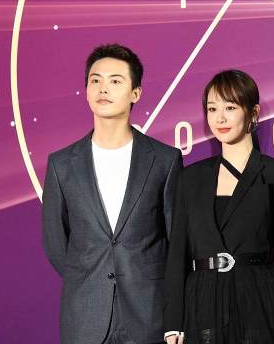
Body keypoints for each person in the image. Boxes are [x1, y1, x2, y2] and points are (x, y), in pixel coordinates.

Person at [42, 43, 183, 344]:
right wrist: (90, 276)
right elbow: (56, 244)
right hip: (85, 317)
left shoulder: (164, 160)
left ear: (136, 93)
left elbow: (176, 242)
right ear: (86, 90)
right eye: (96, 80)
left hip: (149, 315)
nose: (103, 88)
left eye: (115, 81)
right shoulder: (61, 165)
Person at [164, 70, 274, 344]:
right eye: (212, 109)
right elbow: (177, 255)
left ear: (253, 112)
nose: (219, 118)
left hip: (259, 302)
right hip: (202, 304)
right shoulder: (190, 178)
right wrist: (173, 323)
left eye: (230, 107)